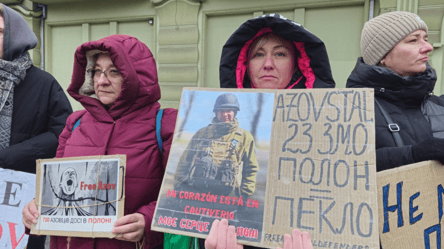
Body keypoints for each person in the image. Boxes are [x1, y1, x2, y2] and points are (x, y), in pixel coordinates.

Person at [167, 13, 335, 249]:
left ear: (298, 63)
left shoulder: (329, 124)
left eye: (280, 53)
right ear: (244, 65)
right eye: (258, 54)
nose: (268, 64)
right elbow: (186, 165)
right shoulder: (204, 131)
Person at [22, 34, 177, 249]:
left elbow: (183, 197)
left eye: (114, 71)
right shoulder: (75, 123)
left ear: (137, 75)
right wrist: (36, 207)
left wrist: (148, 221)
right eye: (97, 71)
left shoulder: (165, 125)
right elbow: (53, 188)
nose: (102, 80)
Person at [0, 4, 72, 249]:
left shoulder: (44, 83)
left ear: (15, 36)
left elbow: (62, 135)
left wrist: (8, 156)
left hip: (22, 198)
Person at [346, 11, 444, 172]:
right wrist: (412, 155)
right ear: (382, 56)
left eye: (425, 39)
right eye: (413, 40)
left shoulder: (439, 106)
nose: (428, 47)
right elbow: (342, 167)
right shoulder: (351, 108)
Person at [174, 92, 259, 198]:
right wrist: (179, 186)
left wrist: (245, 194)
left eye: (229, 111)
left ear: (235, 112)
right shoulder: (202, 133)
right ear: (216, 112)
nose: (225, 114)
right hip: (197, 194)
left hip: (227, 198)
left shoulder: (245, 137)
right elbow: (185, 161)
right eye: (221, 111)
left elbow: (250, 168)